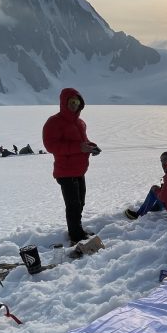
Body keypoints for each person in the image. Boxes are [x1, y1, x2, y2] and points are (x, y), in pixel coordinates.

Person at [42, 88, 101, 244]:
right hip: (65, 171)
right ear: (64, 103)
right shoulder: (54, 122)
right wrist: (79, 148)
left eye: (77, 102)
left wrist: (91, 146)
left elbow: (83, 141)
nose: (74, 105)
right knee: (73, 205)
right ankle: (75, 235)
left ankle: (77, 229)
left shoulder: (80, 123)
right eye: (71, 102)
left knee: (80, 202)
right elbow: (51, 146)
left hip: (79, 170)